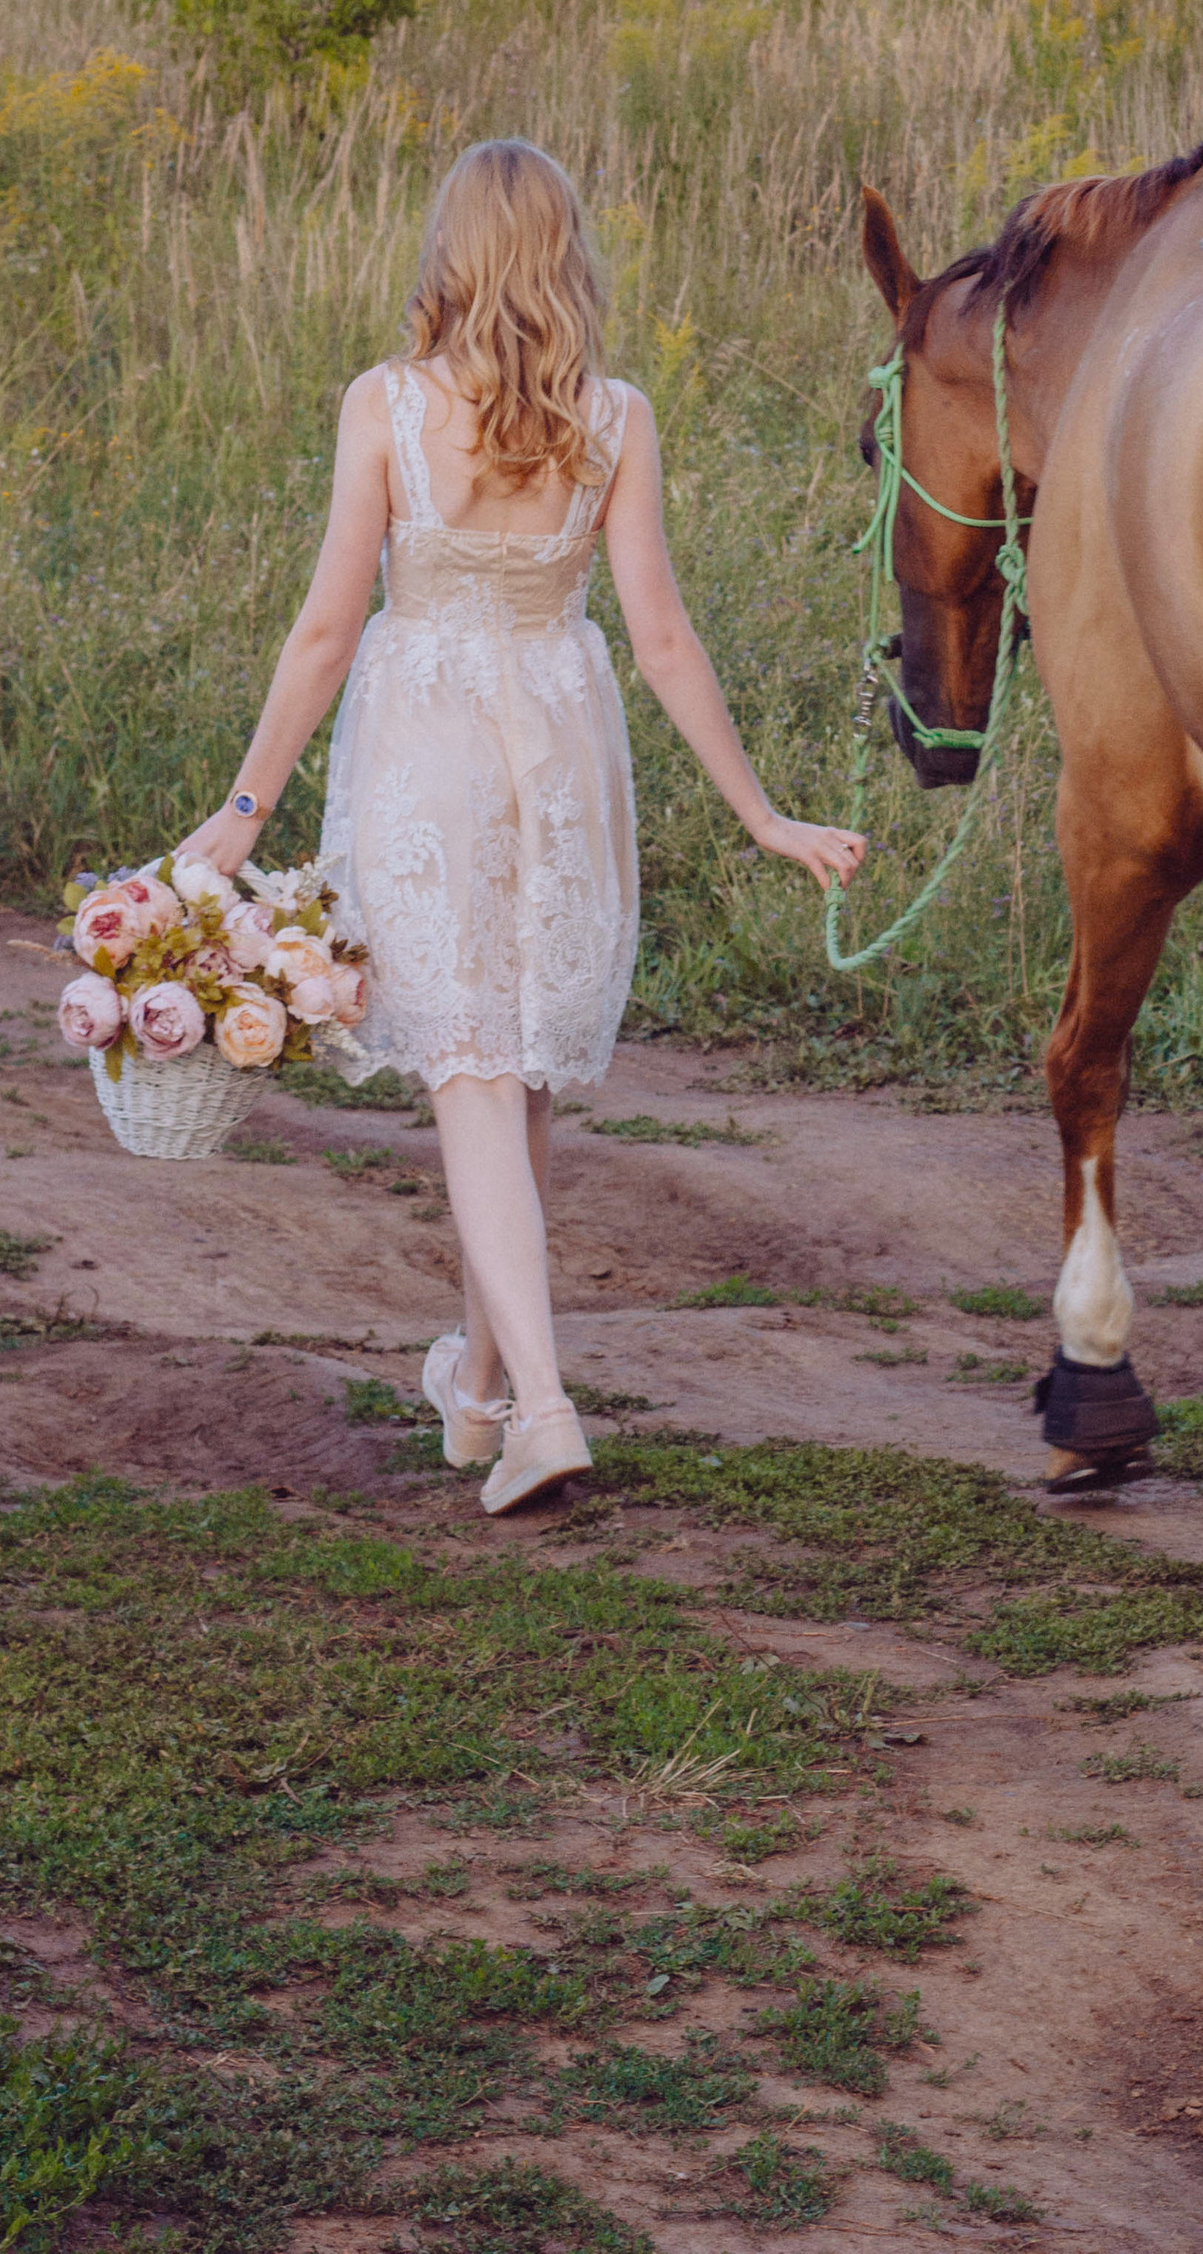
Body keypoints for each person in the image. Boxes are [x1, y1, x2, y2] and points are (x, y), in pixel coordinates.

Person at [177, 138, 863, 1511]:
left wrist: (245, 810)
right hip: (559, 750)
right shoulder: (615, 417)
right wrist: (760, 812)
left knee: (483, 1071)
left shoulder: (386, 404)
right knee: (516, 1074)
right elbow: (660, 638)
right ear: (564, 256)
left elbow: (325, 632)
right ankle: (480, 1394)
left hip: (428, 747)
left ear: (454, 251)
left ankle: (544, 1406)